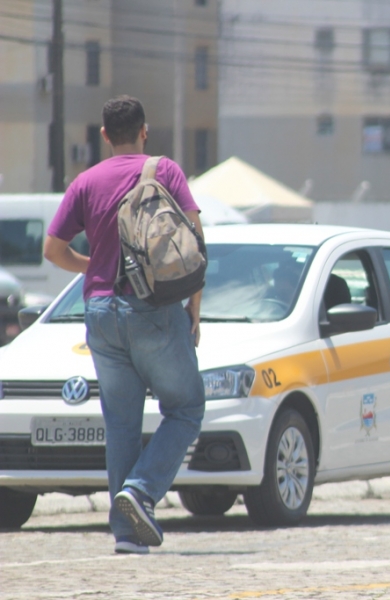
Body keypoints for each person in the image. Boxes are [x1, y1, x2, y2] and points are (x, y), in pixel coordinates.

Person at [43, 95, 206, 555]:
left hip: (99, 310)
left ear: (102, 135)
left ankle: (126, 534)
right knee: (187, 407)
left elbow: (52, 251)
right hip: (153, 308)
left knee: (121, 424)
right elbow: (194, 240)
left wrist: (94, 267)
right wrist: (194, 308)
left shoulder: (85, 182)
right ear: (144, 131)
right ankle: (141, 490)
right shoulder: (164, 171)